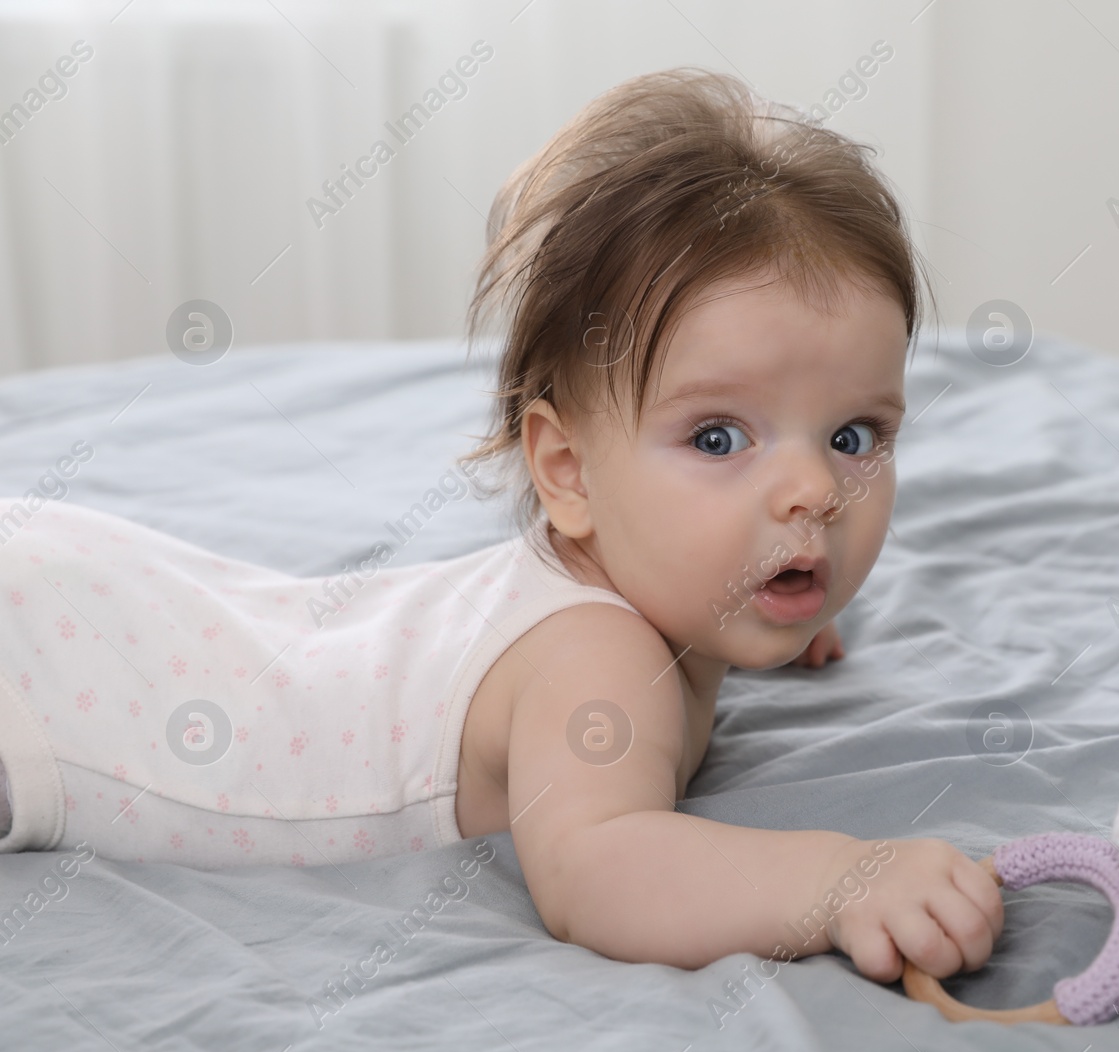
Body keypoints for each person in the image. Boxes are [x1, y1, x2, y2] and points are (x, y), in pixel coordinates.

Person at [0, 67, 1002, 985]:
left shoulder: (659, 593)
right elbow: (601, 869)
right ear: (566, 471)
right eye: (716, 437)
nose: (812, 494)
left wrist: (770, 602)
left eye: (851, 434)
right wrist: (839, 876)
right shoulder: (597, 658)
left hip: (94, 601)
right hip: (47, 692)